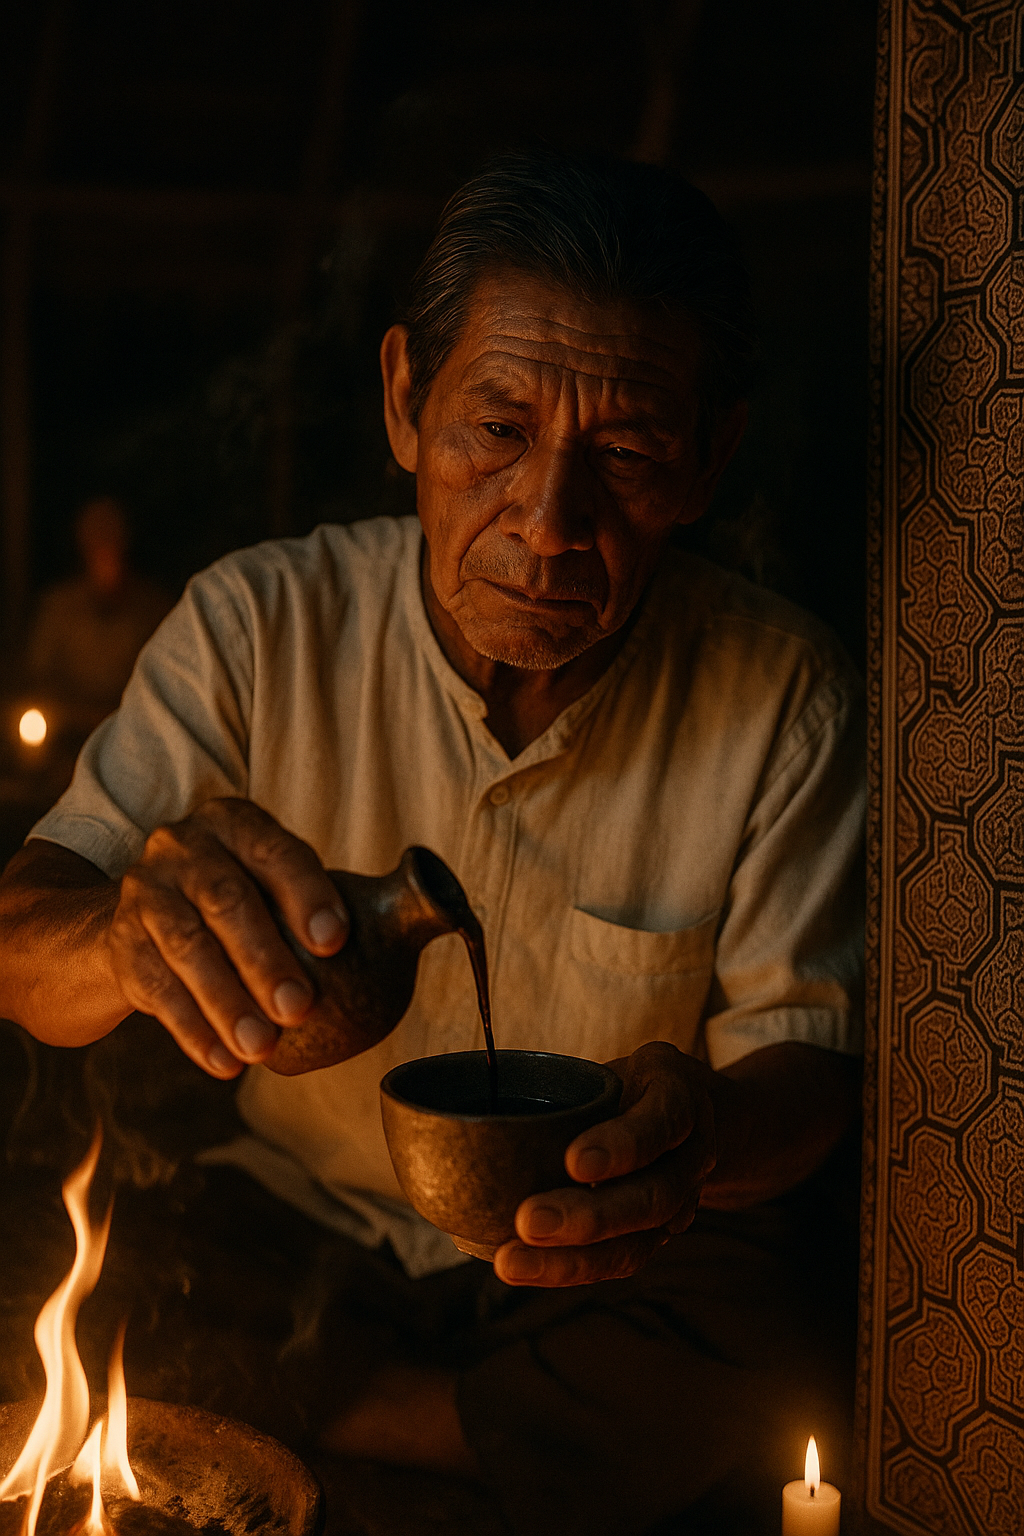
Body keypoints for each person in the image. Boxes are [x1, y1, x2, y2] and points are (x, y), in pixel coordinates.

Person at [0, 154, 864, 1535]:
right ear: (406, 400)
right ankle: (491, 1458)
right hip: (296, 1232)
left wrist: (700, 1138)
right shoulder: (256, 627)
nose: (546, 520)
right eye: (497, 432)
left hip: (602, 1264)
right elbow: (20, 945)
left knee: (784, 1311)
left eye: (628, 456)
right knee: (66, 1250)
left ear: (709, 459)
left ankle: (308, 1432)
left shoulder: (783, 695)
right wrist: (117, 934)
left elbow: (803, 1067)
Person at [22, 496, 173, 741]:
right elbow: (39, 676)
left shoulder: (153, 608)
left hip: (132, 733)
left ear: (125, 538)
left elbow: (163, 682)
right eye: (95, 533)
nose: (103, 541)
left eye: (111, 532)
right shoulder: (58, 607)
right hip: (67, 734)